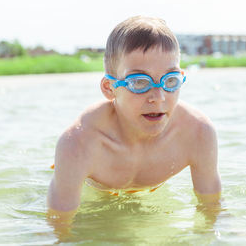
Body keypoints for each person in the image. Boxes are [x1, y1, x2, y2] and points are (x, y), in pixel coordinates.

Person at [47, 16, 221, 218]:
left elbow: (213, 210)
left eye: (171, 80)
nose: (158, 97)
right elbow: (58, 224)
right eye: (139, 82)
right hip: (97, 192)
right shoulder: (79, 145)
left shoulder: (198, 134)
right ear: (110, 88)